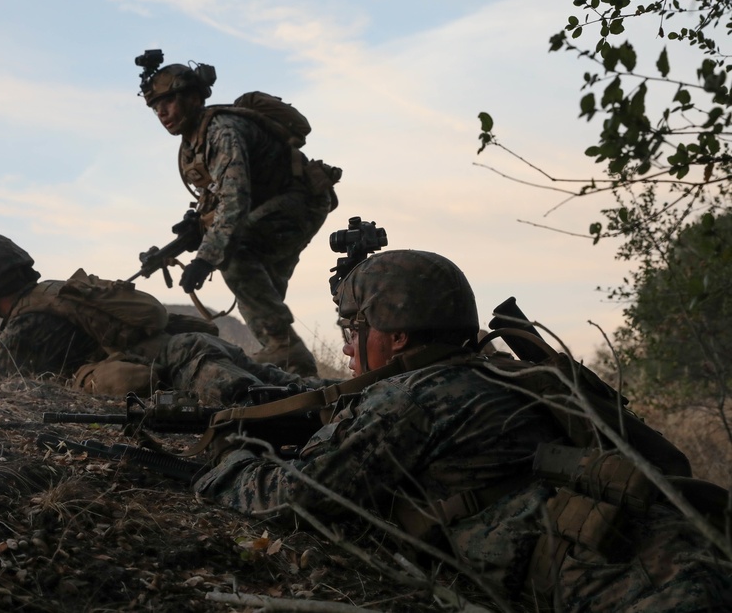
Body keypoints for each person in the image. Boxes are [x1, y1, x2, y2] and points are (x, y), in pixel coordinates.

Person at [193, 249, 732, 611]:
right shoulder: (508, 372)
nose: (349, 348)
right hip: (690, 555)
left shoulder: (414, 397)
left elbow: (295, 500)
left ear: (398, 337)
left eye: (353, 331)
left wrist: (229, 462)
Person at [0, 231, 321, 403]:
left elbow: (2, 381)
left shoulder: (27, 323)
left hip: (185, 363)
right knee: (309, 393)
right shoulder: (54, 293)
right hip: (195, 345)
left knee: (271, 406)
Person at [140, 56, 337, 377]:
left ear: (193, 98)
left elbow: (234, 200)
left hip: (300, 201)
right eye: (155, 107)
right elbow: (218, 194)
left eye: (168, 102)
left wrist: (206, 258)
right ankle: (293, 369)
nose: (161, 113)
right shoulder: (193, 143)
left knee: (235, 255)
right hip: (280, 204)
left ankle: (283, 348)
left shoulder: (222, 131)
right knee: (262, 284)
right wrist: (195, 227)